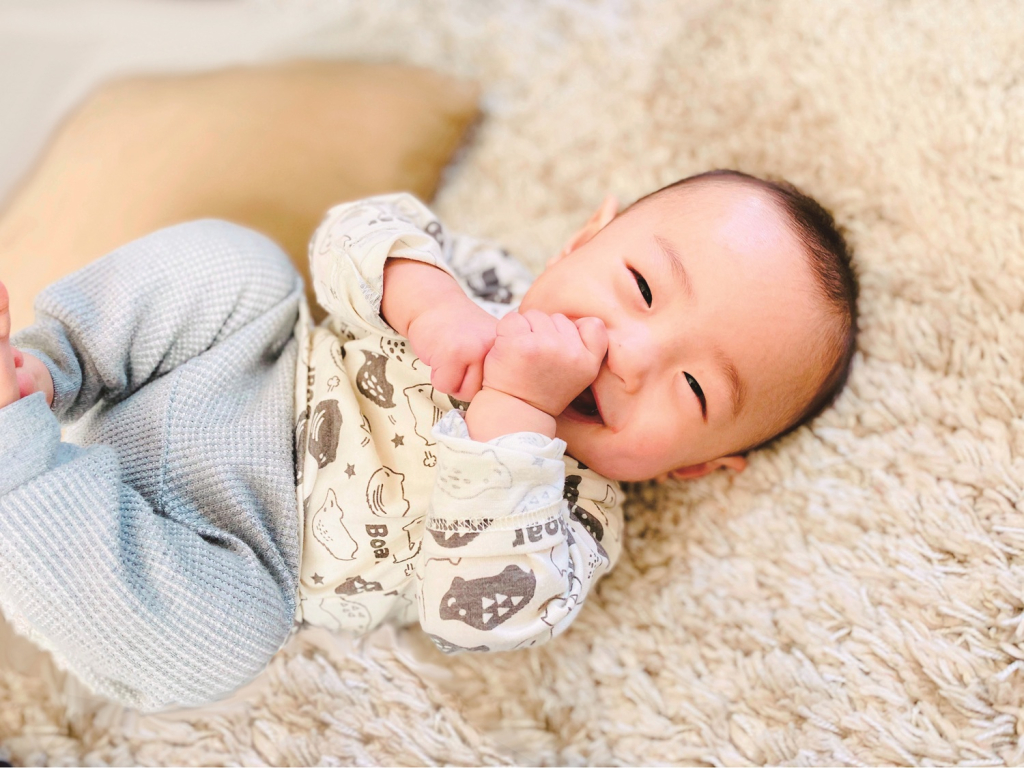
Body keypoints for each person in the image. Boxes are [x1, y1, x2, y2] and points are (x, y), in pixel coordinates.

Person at [0, 170, 857, 712]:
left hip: (227, 549)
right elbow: (355, 234)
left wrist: (516, 405)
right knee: (241, 265)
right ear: (584, 238)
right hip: (229, 369)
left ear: (697, 467)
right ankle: (45, 370)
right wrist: (429, 302)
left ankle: (15, 459)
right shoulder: (484, 282)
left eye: (695, 388)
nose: (632, 353)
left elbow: (473, 615)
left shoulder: (575, 526)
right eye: (639, 285)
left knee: (216, 651)